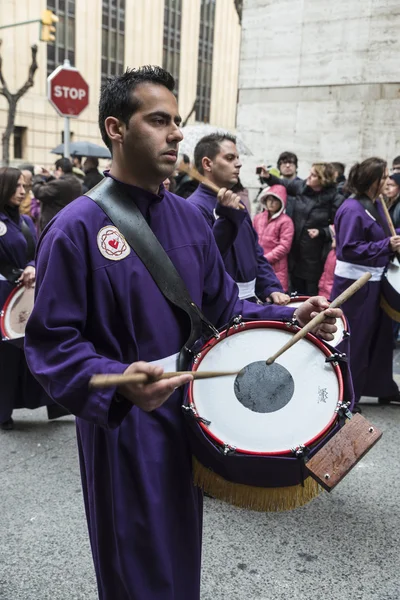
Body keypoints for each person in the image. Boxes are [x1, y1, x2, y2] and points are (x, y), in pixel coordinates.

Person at [24, 66, 342, 600]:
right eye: (158, 120)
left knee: (179, 550)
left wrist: (292, 315)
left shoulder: (191, 219)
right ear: (116, 128)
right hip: (126, 417)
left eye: (177, 121)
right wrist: (115, 378)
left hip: (192, 405)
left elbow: (223, 308)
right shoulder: (76, 227)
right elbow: (52, 341)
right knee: (136, 560)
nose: (176, 133)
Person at [189, 133, 290, 305]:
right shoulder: (193, 208)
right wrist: (227, 219)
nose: (239, 163)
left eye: (237, 158)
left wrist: (271, 287)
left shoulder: (237, 202)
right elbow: (205, 263)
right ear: (207, 164)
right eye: (229, 158)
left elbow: (256, 253)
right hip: (223, 308)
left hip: (250, 302)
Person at [331, 157, 400, 409]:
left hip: (374, 280)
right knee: (356, 338)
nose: (387, 181)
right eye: (384, 177)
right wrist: (386, 245)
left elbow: (382, 235)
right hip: (355, 284)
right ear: (373, 181)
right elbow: (348, 248)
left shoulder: (376, 203)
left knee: (381, 338)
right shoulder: (352, 209)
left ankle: (381, 386)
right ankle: (347, 394)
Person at [0, 167, 53, 430]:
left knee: (31, 348)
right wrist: (14, 272)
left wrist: (32, 266)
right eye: (17, 186)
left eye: (24, 186)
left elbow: (36, 248)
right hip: (3, 296)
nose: (23, 192)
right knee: (6, 357)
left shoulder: (24, 220)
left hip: (25, 293)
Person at [261, 162, 344, 296]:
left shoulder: (334, 197)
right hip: (295, 247)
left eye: (313, 175)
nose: (308, 177)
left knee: (311, 290)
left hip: (316, 251)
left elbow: (339, 225)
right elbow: (283, 183)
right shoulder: (302, 186)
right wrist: (268, 177)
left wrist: (322, 231)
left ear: (323, 179)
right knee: (295, 287)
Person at [253, 185, 294, 292]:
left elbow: (284, 247)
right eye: (269, 199)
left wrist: (265, 259)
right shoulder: (258, 218)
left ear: (282, 202)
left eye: (275, 200)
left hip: (276, 268)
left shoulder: (286, 221)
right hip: (257, 263)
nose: (271, 203)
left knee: (276, 295)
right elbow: (251, 238)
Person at [32, 157, 82, 232]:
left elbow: (39, 192)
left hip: (53, 225)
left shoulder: (60, 185)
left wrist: (37, 176)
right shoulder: (76, 182)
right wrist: (49, 177)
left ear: (59, 169)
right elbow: (58, 190)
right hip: (69, 223)